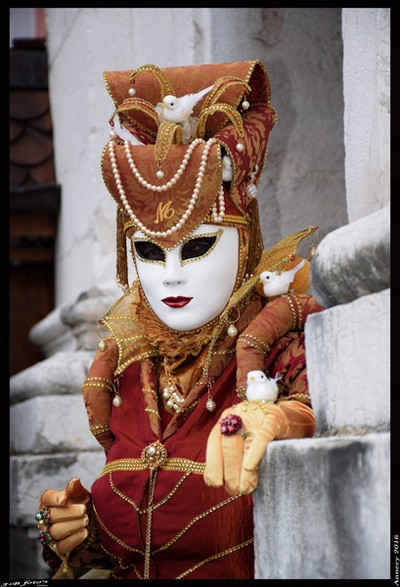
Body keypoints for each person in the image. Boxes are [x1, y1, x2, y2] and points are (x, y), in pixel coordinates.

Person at [35, 60, 324, 580]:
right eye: (148, 251)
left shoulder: (281, 349)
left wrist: (280, 419)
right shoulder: (126, 369)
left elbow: (314, 417)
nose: (169, 276)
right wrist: (79, 535)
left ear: (242, 245)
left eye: (195, 247)